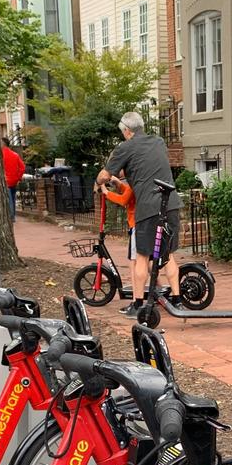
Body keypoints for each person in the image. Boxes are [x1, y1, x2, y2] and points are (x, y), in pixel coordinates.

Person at [97, 111, 182, 315]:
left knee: (142, 257)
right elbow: (143, 166)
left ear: (126, 131)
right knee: (168, 255)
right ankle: (177, 300)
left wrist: (99, 181)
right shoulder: (159, 141)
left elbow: (106, 174)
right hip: (170, 202)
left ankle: (138, 305)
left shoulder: (125, 147)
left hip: (148, 208)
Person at [1, 137, 26, 219]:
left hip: (6, 180)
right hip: (14, 180)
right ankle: (13, 215)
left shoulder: (0, 155)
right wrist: (18, 177)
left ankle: (11, 217)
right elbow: (22, 167)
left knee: (9, 200)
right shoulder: (15, 155)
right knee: (12, 197)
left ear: (3, 144)